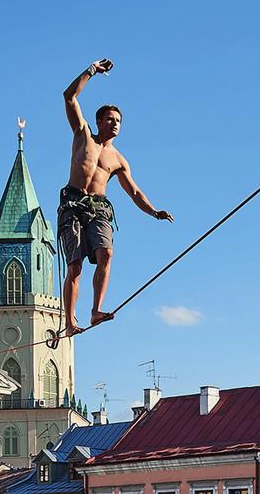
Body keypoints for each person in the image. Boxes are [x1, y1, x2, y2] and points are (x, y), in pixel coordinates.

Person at [59, 58, 173, 336]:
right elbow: (69, 96)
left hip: (99, 208)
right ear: (99, 120)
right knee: (74, 266)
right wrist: (91, 70)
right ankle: (69, 320)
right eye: (110, 119)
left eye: (119, 120)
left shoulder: (119, 159)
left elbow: (134, 191)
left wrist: (153, 211)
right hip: (73, 205)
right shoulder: (82, 134)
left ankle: (96, 310)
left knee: (106, 253)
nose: (115, 123)